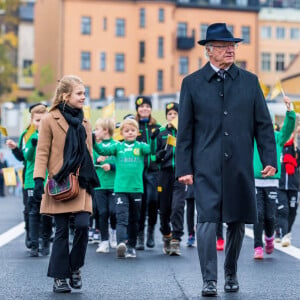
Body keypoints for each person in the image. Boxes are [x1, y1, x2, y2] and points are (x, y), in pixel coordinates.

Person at [175, 23, 277, 297]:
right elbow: (184, 131)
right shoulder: (192, 84)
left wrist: (270, 158)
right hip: (205, 165)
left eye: (232, 45)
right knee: (207, 220)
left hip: (239, 165)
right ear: (209, 51)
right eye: (223, 46)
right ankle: (209, 279)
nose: (230, 49)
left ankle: (230, 272)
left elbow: (263, 125)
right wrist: (183, 168)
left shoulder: (250, 81)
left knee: (236, 221)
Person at [33, 75, 100, 293]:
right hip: (59, 182)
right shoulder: (49, 119)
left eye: (84, 93)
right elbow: (42, 152)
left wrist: (91, 178)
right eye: (79, 93)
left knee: (82, 225)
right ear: (65, 95)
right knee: (61, 231)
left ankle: (75, 267)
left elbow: (88, 153)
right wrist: (38, 179)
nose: (84, 97)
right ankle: (59, 278)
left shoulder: (85, 122)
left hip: (81, 181)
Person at [94, 118, 151, 259]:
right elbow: (101, 149)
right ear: (122, 133)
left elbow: (150, 149)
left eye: (133, 130)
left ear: (137, 132)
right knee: (121, 218)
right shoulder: (118, 147)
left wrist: (153, 138)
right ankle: (121, 244)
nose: (130, 133)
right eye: (127, 131)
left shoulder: (141, 147)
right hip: (120, 189)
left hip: (137, 189)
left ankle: (131, 247)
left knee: (134, 219)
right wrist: (92, 141)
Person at [253, 96, 295, 259]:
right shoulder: (252, 137)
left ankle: (269, 237)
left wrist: (289, 111)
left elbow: (288, 128)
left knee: (270, 215)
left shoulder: (277, 137)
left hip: (272, 181)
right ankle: (257, 246)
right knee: (258, 214)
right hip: (256, 180)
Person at [152, 102, 186, 255]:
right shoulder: (160, 133)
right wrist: (158, 156)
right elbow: (152, 155)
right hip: (164, 174)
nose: (172, 117)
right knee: (164, 209)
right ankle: (166, 234)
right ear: (166, 116)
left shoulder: (185, 132)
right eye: (170, 114)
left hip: (180, 173)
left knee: (177, 206)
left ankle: (176, 240)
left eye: (175, 114)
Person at [23, 103, 53, 257]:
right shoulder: (32, 137)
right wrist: (33, 146)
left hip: (49, 181)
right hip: (31, 181)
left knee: (47, 213)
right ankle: (34, 244)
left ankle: (45, 242)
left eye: (42, 120)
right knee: (33, 213)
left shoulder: (51, 136)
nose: (39, 124)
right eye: (37, 120)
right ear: (32, 121)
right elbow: (26, 157)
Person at [135, 96, 161, 250]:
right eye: (141, 106)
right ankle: (140, 235)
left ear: (151, 108)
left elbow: (162, 147)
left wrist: (155, 157)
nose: (144, 108)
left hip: (153, 171)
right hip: (138, 171)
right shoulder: (133, 126)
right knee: (140, 204)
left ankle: (151, 231)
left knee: (153, 201)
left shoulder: (157, 128)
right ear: (137, 109)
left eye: (147, 106)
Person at [93, 118, 117, 253]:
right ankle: (104, 241)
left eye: (97, 129)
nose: (95, 132)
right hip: (100, 185)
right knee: (102, 212)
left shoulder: (117, 145)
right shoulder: (97, 147)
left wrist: (111, 166)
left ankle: (113, 234)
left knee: (113, 212)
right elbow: (92, 162)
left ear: (106, 130)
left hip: (114, 185)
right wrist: (97, 160)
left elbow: (120, 164)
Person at [276, 132, 300, 247]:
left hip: (293, 186)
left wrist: (296, 149)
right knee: (283, 210)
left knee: (292, 211)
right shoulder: (279, 146)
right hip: (280, 186)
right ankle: (283, 234)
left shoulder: (296, 149)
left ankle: (286, 232)